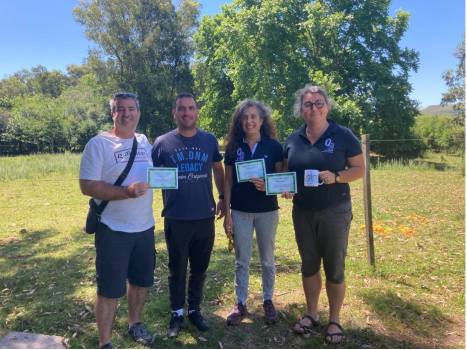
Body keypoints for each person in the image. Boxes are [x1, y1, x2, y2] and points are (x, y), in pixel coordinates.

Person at [283, 85, 364, 344]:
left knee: (334, 267)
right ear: (301, 110)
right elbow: (286, 172)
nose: (314, 108)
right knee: (308, 265)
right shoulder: (293, 139)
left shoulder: (343, 135)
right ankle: (311, 313)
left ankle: (335, 319)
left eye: (319, 103)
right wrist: (286, 188)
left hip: (334, 211)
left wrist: (337, 176)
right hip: (303, 212)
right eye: (308, 104)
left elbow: (359, 169)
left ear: (327, 106)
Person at [79, 92, 155, 349]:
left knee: (140, 282)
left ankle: (135, 323)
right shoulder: (98, 144)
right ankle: (105, 342)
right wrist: (126, 193)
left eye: (131, 108)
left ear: (138, 113)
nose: (126, 113)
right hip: (113, 229)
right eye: (120, 109)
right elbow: (87, 185)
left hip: (145, 227)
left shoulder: (145, 142)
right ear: (113, 113)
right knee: (109, 289)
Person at [152, 92, 225, 338]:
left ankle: (194, 309)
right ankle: (176, 312)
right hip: (176, 217)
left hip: (204, 216)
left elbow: (217, 167)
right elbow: (151, 173)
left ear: (197, 111)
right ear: (175, 113)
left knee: (200, 269)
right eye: (181, 109)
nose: (186, 113)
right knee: (176, 269)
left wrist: (223, 197)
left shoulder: (209, 140)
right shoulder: (162, 143)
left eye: (191, 108)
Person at [223, 99, 283, 326]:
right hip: (240, 211)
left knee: (267, 259)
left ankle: (268, 300)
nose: (249, 121)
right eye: (245, 117)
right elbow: (228, 181)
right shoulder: (233, 147)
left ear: (261, 120)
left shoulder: (274, 146)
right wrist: (227, 212)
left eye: (253, 117)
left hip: (267, 211)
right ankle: (240, 303)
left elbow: (281, 180)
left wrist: (268, 184)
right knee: (242, 260)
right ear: (240, 121)